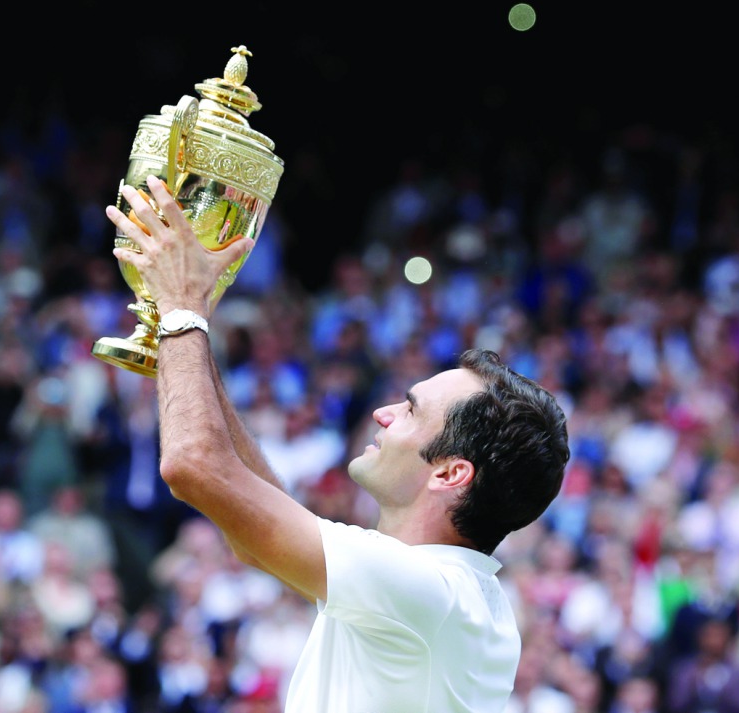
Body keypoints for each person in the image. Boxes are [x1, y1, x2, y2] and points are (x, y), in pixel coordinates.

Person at [104, 175, 571, 713]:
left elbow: (191, 463)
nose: (383, 413)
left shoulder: (426, 592)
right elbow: (253, 540)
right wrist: (197, 325)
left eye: (411, 410)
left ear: (450, 473)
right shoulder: (437, 591)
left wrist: (180, 306)